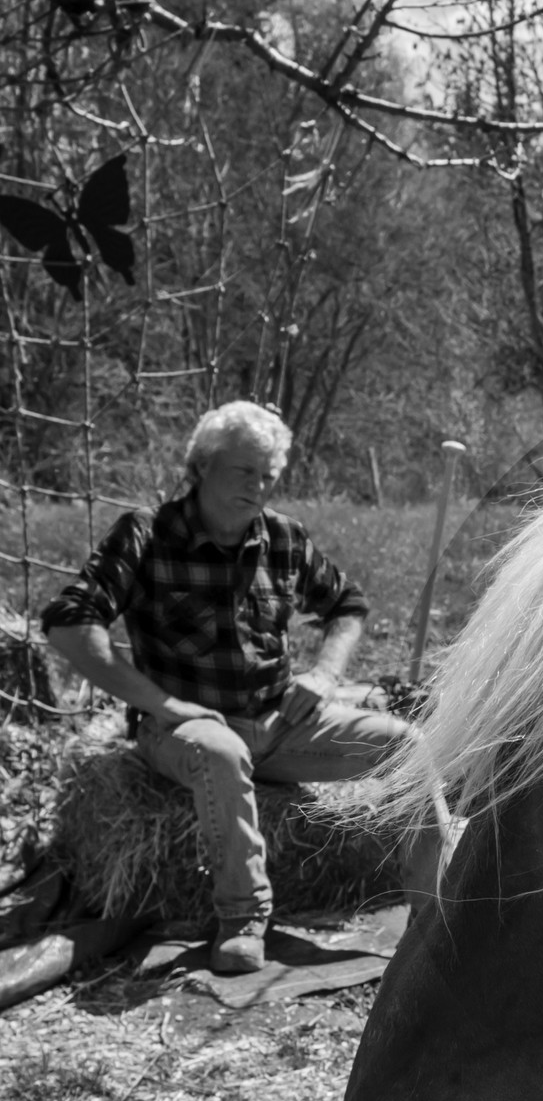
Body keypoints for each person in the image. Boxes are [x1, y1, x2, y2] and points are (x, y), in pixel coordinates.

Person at [41, 401, 437, 974]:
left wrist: (324, 675)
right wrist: (162, 704)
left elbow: (347, 605)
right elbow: (68, 622)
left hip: (279, 723)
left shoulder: (282, 537)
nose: (259, 486)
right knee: (223, 754)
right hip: (187, 728)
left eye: (269, 474)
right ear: (201, 466)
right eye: (245, 471)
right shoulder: (147, 534)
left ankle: (436, 909)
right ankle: (244, 919)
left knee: (408, 745)